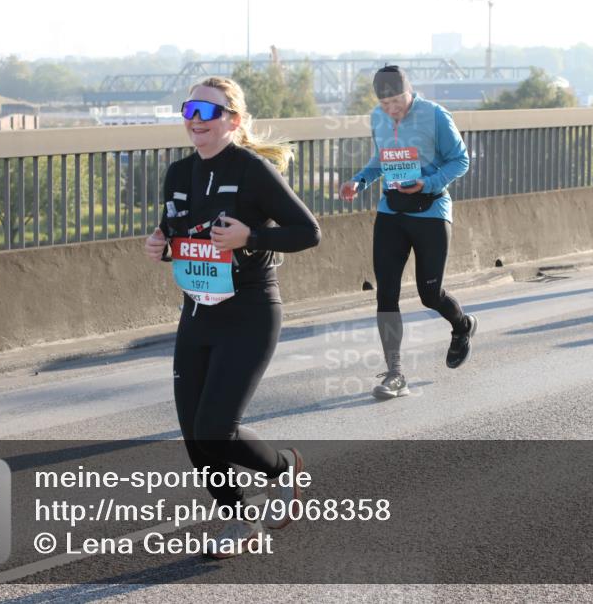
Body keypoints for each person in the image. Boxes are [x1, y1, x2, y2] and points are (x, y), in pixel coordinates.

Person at [143, 77, 321, 558]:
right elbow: (179, 231)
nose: (195, 120)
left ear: (233, 120)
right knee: (195, 436)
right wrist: (161, 244)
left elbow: (308, 232)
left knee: (215, 428)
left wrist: (251, 238)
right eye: (189, 110)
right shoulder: (179, 173)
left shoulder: (252, 170)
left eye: (207, 111)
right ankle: (241, 519)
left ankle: (283, 469)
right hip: (197, 312)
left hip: (250, 311)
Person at [339, 65, 476, 401]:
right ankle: (395, 373)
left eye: (397, 102)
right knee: (386, 294)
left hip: (430, 212)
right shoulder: (377, 117)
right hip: (391, 212)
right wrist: (358, 181)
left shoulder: (435, 115)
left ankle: (462, 326)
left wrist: (426, 183)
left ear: (409, 91)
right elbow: (380, 161)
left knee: (430, 294)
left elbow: (460, 160)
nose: (392, 110)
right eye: (385, 104)